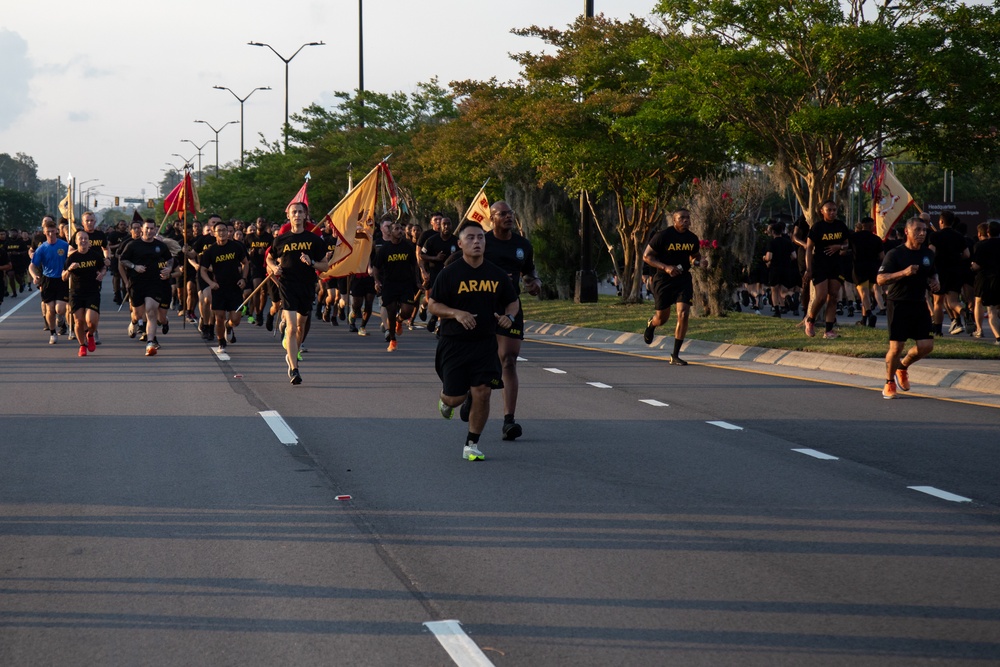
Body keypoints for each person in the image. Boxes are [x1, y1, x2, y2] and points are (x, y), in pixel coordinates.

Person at [429, 220, 518, 461]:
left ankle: (472, 444)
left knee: (483, 391)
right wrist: (456, 313)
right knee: (455, 398)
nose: (476, 241)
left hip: (485, 343)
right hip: (453, 343)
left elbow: (513, 300)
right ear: (460, 244)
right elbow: (433, 304)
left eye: (480, 237)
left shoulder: (496, 274)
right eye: (470, 238)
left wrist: (509, 316)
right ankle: (447, 398)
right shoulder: (449, 274)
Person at [484, 200, 541, 439]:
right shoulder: (482, 242)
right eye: (503, 214)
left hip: (511, 306)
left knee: (508, 360)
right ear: (493, 218)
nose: (508, 217)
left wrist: (534, 282)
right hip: (484, 306)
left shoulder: (522, 245)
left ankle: (509, 421)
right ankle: (471, 394)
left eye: (511, 213)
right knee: (484, 359)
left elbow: (529, 271)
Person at [266, 202, 332, 384]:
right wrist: (274, 268)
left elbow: (325, 266)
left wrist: (311, 263)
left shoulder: (315, 240)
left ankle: (291, 355)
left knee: (301, 327)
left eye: (300, 212)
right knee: (292, 326)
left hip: (307, 285)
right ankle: (295, 369)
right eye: (293, 212)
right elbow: (269, 258)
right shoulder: (280, 239)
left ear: (305, 215)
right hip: (287, 285)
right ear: (288, 216)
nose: (296, 215)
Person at [877, 216, 940, 399]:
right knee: (896, 347)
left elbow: (933, 273)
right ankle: (889, 382)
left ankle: (902, 367)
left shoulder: (928, 254)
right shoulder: (895, 254)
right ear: (907, 231)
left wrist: (935, 282)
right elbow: (880, 279)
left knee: (926, 346)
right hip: (898, 304)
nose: (922, 234)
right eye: (918, 230)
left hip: (919, 303)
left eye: (924, 231)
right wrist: (903, 273)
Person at [641, 209, 705, 365]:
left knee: (683, 313)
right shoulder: (662, 236)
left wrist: (699, 262)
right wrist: (665, 267)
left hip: (682, 280)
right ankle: (652, 324)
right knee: (662, 318)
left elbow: (694, 257)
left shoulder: (692, 238)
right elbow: (647, 256)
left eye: (687, 218)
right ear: (674, 220)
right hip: (663, 280)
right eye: (681, 218)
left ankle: (675, 355)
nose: (685, 221)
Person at [119, 219, 174, 356]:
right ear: (141, 230)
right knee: (138, 313)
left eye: (152, 228)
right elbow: (123, 260)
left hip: (154, 283)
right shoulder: (133, 245)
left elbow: (170, 258)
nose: (149, 231)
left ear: (156, 230)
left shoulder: (160, 246)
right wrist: (134, 267)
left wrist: (169, 268)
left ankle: (150, 342)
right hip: (137, 283)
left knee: (150, 310)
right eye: (147, 228)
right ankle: (133, 322)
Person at [803, 200, 852, 338]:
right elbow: (809, 249)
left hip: (836, 265)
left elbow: (846, 244)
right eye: (829, 210)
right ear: (822, 211)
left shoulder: (840, 226)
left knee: (834, 296)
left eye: (834, 210)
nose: (832, 213)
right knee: (821, 296)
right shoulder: (817, 227)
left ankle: (829, 330)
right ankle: (810, 319)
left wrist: (839, 247)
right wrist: (808, 268)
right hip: (820, 265)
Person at [199, 220, 249, 353]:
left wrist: (244, 279)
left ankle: (229, 326)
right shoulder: (210, 251)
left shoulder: (236, 247)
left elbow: (245, 263)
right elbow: (203, 270)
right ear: (214, 234)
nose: (222, 233)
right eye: (219, 231)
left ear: (228, 232)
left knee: (236, 320)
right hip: (219, 288)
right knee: (219, 317)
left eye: (224, 230)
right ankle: (221, 341)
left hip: (235, 287)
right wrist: (210, 283)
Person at [372, 216, 419, 352]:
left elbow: (414, 265)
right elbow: (376, 267)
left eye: (401, 229)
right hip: (389, 285)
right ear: (391, 232)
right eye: (397, 229)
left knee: (407, 310)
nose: (400, 231)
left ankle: (400, 321)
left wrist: (417, 281)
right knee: (391, 313)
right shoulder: (385, 249)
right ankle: (392, 340)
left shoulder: (408, 247)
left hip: (406, 284)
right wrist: (376, 280)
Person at [62, 230, 106, 356]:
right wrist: (70, 269)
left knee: (91, 321)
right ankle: (82, 345)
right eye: (80, 238)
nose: (83, 241)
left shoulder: (95, 255)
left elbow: (103, 267)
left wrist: (102, 274)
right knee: (79, 321)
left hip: (92, 291)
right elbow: (63, 277)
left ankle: (90, 334)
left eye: (86, 238)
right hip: (76, 292)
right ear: (76, 242)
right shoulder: (72, 258)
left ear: (89, 241)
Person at [28, 217, 70, 345]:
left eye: (53, 231)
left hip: (62, 279)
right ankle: (53, 333)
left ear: (56, 231)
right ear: (44, 232)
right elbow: (32, 265)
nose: (51, 234)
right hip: (47, 280)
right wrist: (35, 276)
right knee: (50, 309)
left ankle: (61, 319)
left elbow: (73, 258)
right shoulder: (42, 248)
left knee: (60, 309)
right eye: (48, 232)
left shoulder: (64, 245)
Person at [928, 211, 970, 335]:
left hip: (940, 271)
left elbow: (931, 253)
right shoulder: (959, 236)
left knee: (938, 302)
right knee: (953, 301)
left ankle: (938, 330)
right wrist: (957, 258)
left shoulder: (935, 236)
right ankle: (965, 313)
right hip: (955, 271)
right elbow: (967, 254)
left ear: (941, 221)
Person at [420, 214, 457, 334]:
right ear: (439, 226)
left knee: (447, 298)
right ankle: (434, 316)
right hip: (435, 273)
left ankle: (438, 323)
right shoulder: (431, 240)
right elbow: (422, 254)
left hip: (451, 274)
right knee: (434, 297)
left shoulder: (456, 241)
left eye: (448, 224)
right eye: (444, 224)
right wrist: (435, 258)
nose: (446, 226)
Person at [851, 217, 885, 327]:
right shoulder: (877, 239)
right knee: (866, 294)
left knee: (863, 293)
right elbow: (881, 256)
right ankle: (863, 320)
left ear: (862, 225)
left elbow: (846, 248)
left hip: (859, 268)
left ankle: (869, 315)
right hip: (872, 269)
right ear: (872, 226)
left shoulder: (854, 237)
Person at [971, 220, 1000, 344]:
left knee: (990, 309)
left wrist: (972, 266)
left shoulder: (982, 245)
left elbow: (976, 266)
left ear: (987, 232)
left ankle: (997, 337)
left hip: (988, 279)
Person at [762, 220, 796, 318]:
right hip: (786, 267)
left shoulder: (771, 243)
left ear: (773, 232)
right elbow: (794, 256)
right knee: (784, 290)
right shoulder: (788, 242)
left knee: (774, 290)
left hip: (775, 268)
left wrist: (764, 258)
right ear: (782, 231)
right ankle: (788, 298)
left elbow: (769, 257)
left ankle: (777, 311)